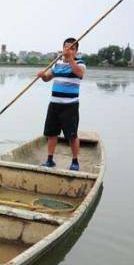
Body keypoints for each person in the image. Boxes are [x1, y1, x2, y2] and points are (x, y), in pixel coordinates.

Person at [37, 38, 86, 171]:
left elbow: (79, 74)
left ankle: (75, 161)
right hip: (54, 104)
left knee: (71, 135)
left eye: (71, 48)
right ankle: (49, 160)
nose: (68, 50)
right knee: (51, 133)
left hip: (70, 105)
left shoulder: (80, 63)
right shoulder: (57, 63)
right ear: (63, 48)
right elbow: (48, 78)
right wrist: (42, 76)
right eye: (66, 47)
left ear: (76, 50)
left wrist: (70, 59)